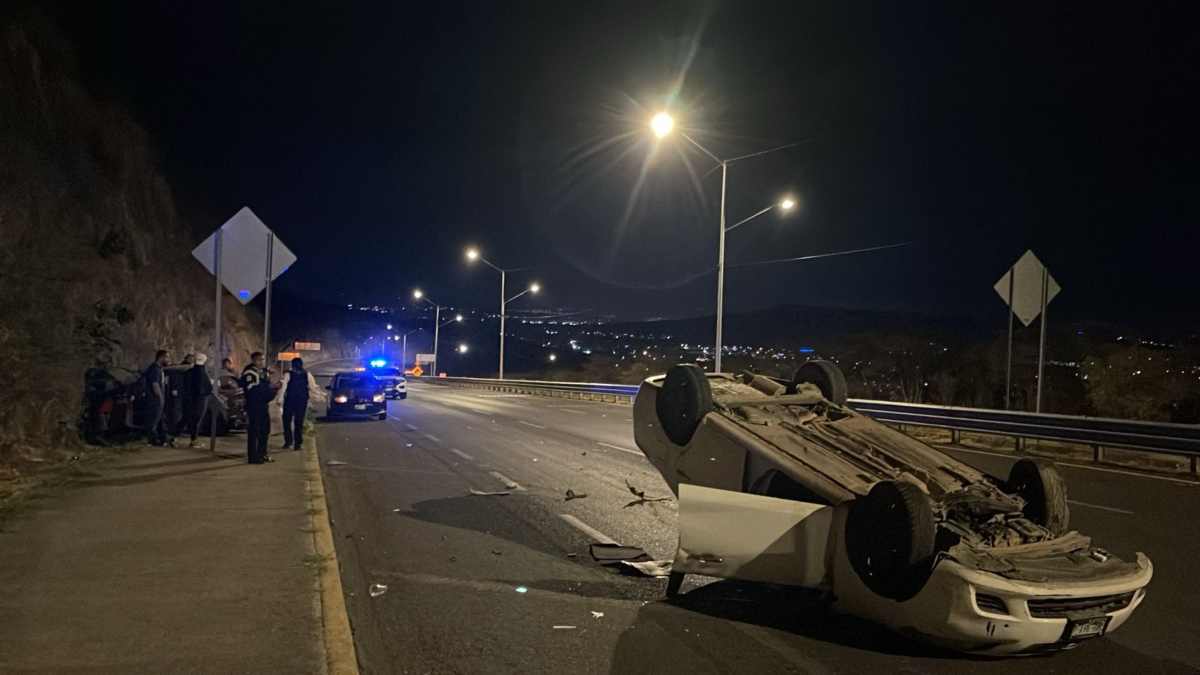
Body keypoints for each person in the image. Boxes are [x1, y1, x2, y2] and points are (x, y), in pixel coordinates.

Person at [278, 357, 322, 450]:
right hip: (302, 401)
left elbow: (283, 387)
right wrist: (319, 396)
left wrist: (280, 399)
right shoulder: (307, 374)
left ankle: (288, 442)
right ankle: (297, 444)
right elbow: (312, 387)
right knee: (299, 422)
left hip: (290, 400)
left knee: (287, 421)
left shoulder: (288, 374)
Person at [241, 352, 274, 464]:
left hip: (263, 405)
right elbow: (253, 391)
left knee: (265, 430)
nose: (262, 362)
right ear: (254, 360)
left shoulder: (262, 372)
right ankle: (253, 457)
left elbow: (265, 387)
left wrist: (272, 389)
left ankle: (262, 454)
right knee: (254, 431)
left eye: (263, 360)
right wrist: (271, 389)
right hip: (254, 406)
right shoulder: (249, 373)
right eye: (259, 360)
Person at [187, 353, 216, 447]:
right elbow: (206, 386)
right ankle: (194, 440)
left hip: (193, 398)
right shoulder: (201, 371)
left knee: (194, 419)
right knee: (197, 419)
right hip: (201, 399)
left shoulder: (191, 371)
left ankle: (193, 439)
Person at [144, 349, 170, 446]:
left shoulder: (159, 369)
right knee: (153, 421)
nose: (168, 360)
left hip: (157, 400)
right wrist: (160, 398)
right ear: (161, 357)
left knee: (160, 420)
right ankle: (153, 440)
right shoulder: (154, 369)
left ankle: (163, 438)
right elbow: (155, 385)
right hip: (154, 400)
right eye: (167, 357)